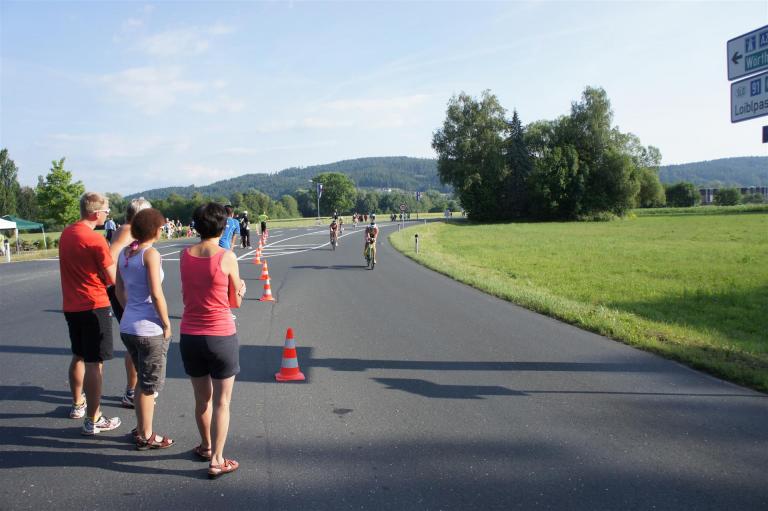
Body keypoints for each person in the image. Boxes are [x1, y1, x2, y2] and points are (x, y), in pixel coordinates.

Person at [180, 202, 246, 479]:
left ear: (196, 226)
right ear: (223, 226)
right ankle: (217, 459)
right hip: (220, 334)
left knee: (202, 399)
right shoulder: (226, 257)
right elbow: (235, 301)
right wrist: (241, 289)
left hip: (190, 335)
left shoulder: (184, 255)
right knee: (222, 402)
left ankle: (206, 445)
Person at [59, 192, 121, 435]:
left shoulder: (67, 234)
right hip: (94, 305)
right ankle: (94, 418)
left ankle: (78, 404)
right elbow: (112, 277)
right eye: (106, 211)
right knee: (95, 363)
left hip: (71, 305)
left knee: (78, 355)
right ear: (96, 213)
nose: (107, 215)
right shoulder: (95, 239)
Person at [115, 208, 174, 450]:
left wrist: (130, 309)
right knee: (149, 386)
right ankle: (147, 434)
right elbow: (156, 294)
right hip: (148, 329)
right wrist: (166, 323)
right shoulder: (150, 254)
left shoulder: (125, 253)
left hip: (128, 325)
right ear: (155, 229)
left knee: (141, 381)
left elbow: (119, 289)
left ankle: (141, 428)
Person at [108, 197, 152, 409]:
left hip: (127, 292)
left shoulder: (130, 231)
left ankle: (135, 389)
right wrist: (120, 287)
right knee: (136, 342)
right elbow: (109, 258)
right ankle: (132, 391)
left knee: (136, 342)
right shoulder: (127, 230)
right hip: (125, 294)